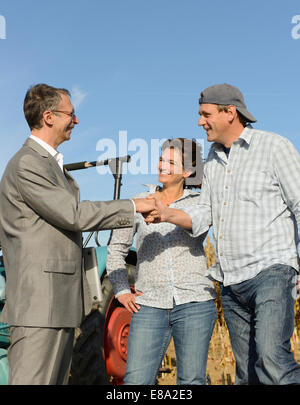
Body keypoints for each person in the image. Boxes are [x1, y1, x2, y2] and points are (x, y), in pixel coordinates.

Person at [0, 83, 154, 385]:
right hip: (39, 308)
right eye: (71, 114)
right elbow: (73, 214)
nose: (77, 120)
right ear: (48, 117)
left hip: (55, 305)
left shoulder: (49, 166)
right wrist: (133, 205)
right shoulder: (30, 164)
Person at [147, 83, 300, 385]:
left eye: (205, 114)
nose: (200, 122)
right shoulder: (213, 164)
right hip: (231, 283)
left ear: (230, 112)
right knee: (246, 373)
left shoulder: (274, 147)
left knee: (272, 361)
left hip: (271, 270)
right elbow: (205, 213)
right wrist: (167, 214)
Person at [106, 138, 217, 385]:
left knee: (191, 381)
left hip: (195, 302)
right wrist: (122, 290)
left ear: (187, 172)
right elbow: (116, 249)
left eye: (170, 162)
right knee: (135, 381)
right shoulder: (138, 202)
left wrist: (166, 214)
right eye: (160, 159)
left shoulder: (199, 204)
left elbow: (197, 227)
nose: (162, 166)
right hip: (149, 305)